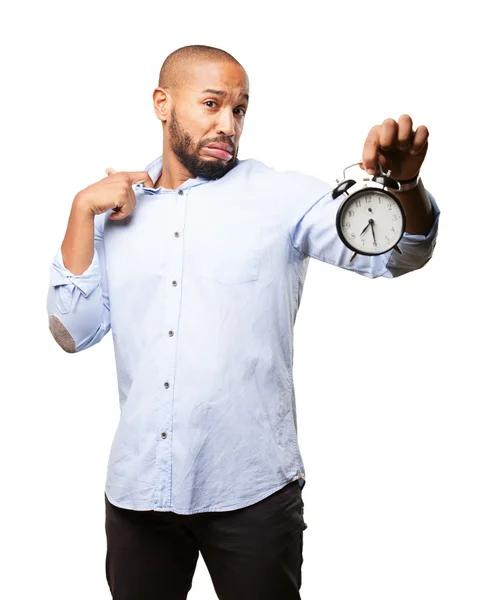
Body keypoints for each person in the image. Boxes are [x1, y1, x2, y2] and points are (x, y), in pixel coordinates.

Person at [46, 44, 440, 600]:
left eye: (240, 110)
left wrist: (404, 187)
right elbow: (71, 330)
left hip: (252, 495)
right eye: (211, 104)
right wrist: (81, 208)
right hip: (139, 493)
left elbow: (397, 254)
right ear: (163, 103)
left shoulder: (282, 198)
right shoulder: (117, 208)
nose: (228, 125)